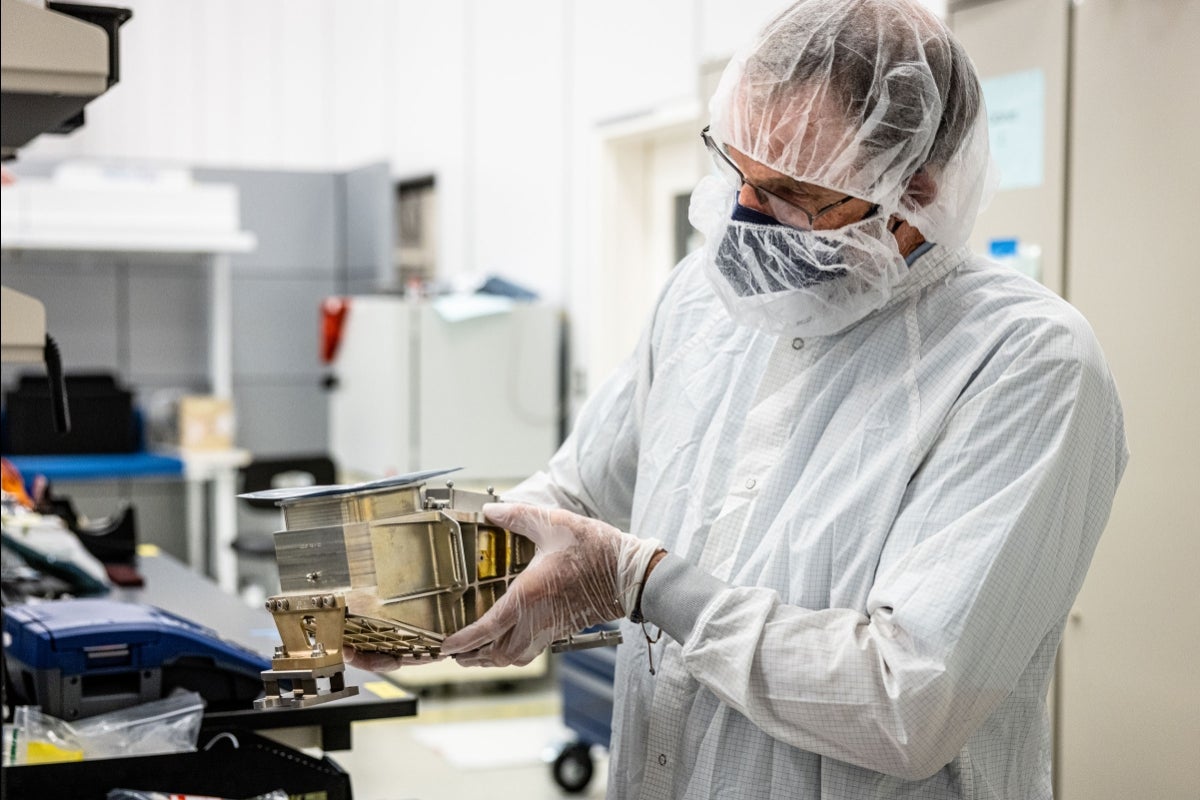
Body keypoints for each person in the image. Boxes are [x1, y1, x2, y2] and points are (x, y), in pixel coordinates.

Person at [350, 0, 1128, 797]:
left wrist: (646, 584)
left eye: (793, 192)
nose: (745, 219)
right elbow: (581, 491)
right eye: (738, 169)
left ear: (916, 194)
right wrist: (434, 587)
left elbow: (908, 701)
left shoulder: (1025, 362)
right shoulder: (701, 299)